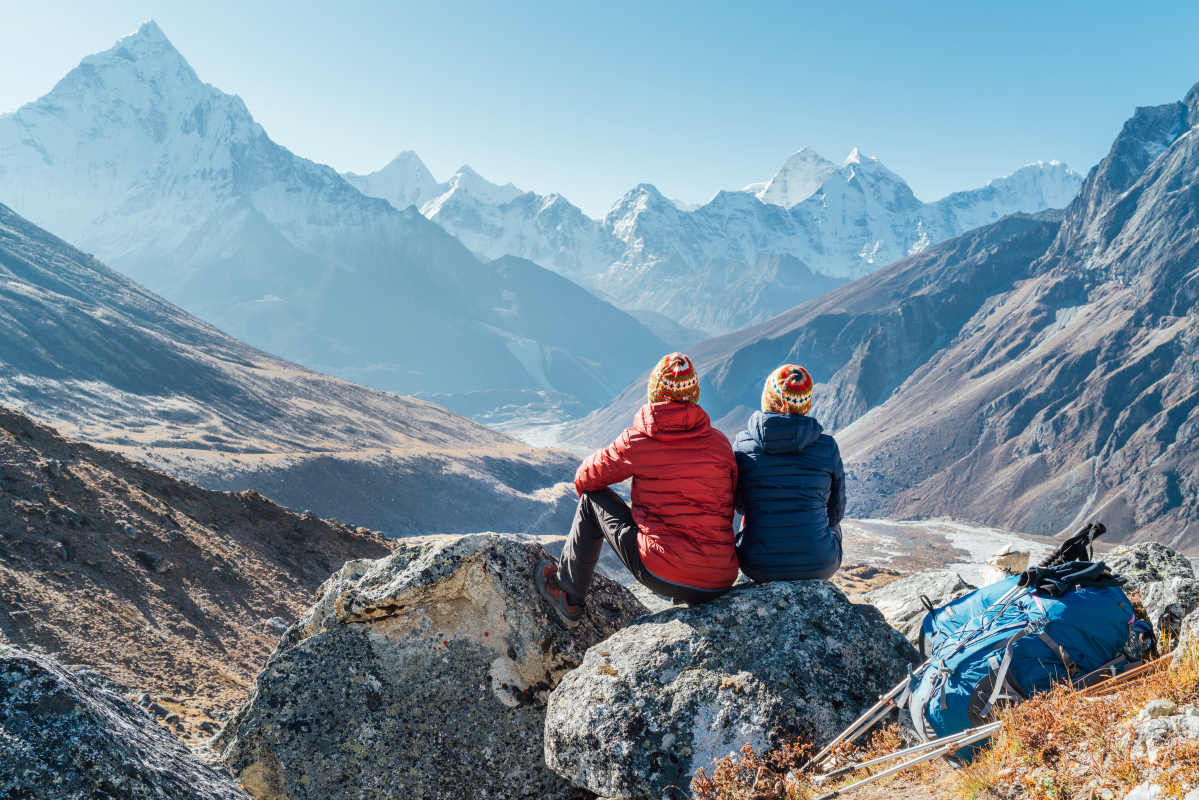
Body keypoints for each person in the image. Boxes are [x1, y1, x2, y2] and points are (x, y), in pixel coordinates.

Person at [534, 352, 738, 627]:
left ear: (654, 392)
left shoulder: (638, 441)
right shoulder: (720, 444)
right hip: (721, 577)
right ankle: (688, 585)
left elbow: (585, 479)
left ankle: (568, 598)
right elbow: (730, 502)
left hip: (661, 572)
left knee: (592, 500)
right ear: (695, 394)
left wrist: (640, 514)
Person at [732, 364, 844, 582]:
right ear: (806, 404)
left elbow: (740, 505)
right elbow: (835, 513)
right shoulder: (827, 446)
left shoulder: (743, 444)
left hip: (757, 565)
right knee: (834, 523)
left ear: (769, 398)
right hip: (820, 565)